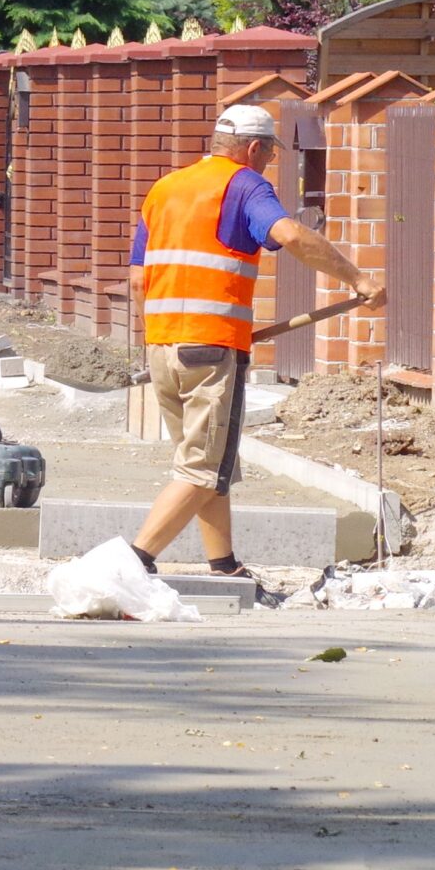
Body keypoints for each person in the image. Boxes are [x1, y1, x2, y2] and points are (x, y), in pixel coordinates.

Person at [125, 103, 378, 584]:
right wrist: (356, 277)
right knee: (202, 467)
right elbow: (292, 236)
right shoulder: (244, 185)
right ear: (254, 147)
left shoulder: (165, 189)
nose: (267, 166)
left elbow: (139, 281)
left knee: (207, 461)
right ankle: (133, 562)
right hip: (211, 349)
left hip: (162, 347)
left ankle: (224, 564)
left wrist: (161, 334)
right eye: (268, 156)